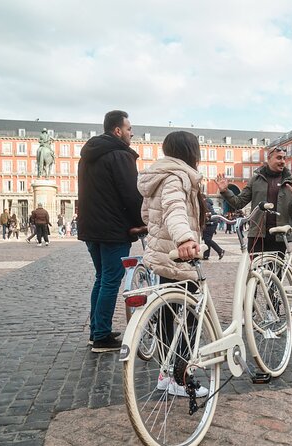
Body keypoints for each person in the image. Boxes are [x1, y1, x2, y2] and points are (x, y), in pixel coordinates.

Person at [138, 130, 208, 397]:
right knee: (190, 318)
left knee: (168, 315)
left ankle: (166, 373)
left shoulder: (158, 175)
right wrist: (185, 238)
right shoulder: (177, 177)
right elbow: (175, 209)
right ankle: (181, 377)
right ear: (191, 151)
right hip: (180, 256)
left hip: (163, 255)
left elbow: (147, 214)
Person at [78, 110, 144, 353]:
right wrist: (141, 221)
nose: (132, 132)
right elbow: (130, 193)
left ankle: (97, 330)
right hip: (113, 228)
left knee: (101, 278)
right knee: (110, 280)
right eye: (129, 128)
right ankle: (102, 337)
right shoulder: (119, 155)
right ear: (117, 130)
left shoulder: (89, 154)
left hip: (91, 227)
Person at [215, 146, 292, 255]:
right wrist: (225, 191)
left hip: (279, 235)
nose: (282, 161)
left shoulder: (291, 182)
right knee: (255, 269)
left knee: (276, 270)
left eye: (284, 158)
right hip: (257, 234)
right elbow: (239, 202)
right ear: (269, 158)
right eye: (279, 158)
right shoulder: (255, 180)